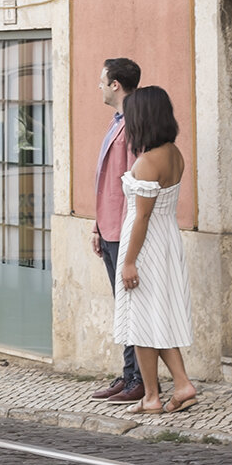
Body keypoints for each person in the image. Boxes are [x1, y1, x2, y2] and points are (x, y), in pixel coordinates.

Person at [114, 85, 197, 415]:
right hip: (166, 239)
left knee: (141, 322)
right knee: (155, 318)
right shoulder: (174, 153)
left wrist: (130, 260)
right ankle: (181, 384)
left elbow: (142, 217)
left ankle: (152, 396)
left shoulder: (149, 161)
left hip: (146, 244)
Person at [88, 58, 146, 404]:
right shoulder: (117, 122)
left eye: (101, 80)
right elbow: (105, 182)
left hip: (123, 231)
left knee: (131, 308)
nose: (98, 86)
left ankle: (138, 378)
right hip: (108, 227)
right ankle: (128, 376)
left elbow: (133, 186)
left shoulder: (134, 125)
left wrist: (128, 243)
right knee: (122, 309)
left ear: (115, 85)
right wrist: (97, 226)